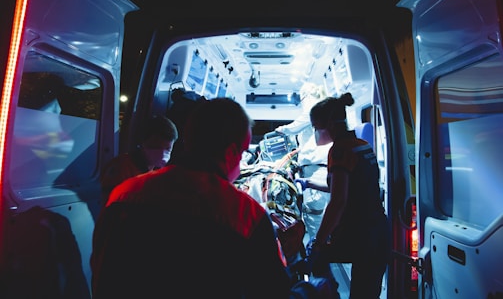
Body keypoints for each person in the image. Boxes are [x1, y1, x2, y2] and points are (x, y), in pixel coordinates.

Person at [91, 98, 319, 298]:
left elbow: (100, 271)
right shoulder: (246, 214)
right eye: (240, 156)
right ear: (231, 154)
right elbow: (272, 293)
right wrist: (311, 291)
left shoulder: (125, 193)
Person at [303, 92, 390, 299]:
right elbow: (350, 187)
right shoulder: (361, 145)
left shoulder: (339, 151)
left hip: (361, 235)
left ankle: (327, 292)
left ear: (330, 124)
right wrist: (308, 183)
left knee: (317, 255)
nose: (316, 133)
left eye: (316, 128)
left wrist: (319, 241)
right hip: (378, 231)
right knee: (367, 293)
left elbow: (338, 201)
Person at [275, 83, 332, 243]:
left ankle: (318, 254)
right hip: (321, 169)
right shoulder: (323, 111)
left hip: (316, 171)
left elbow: (299, 123)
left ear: (306, 96)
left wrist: (282, 129)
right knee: (322, 214)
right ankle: (322, 249)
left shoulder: (313, 109)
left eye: (301, 99)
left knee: (314, 214)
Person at [99, 115, 178, 205]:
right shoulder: (121, 167)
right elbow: (110, 205)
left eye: (168, 149)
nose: (162, 154)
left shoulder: (156, 172)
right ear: (143, 143)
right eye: (156, 147)